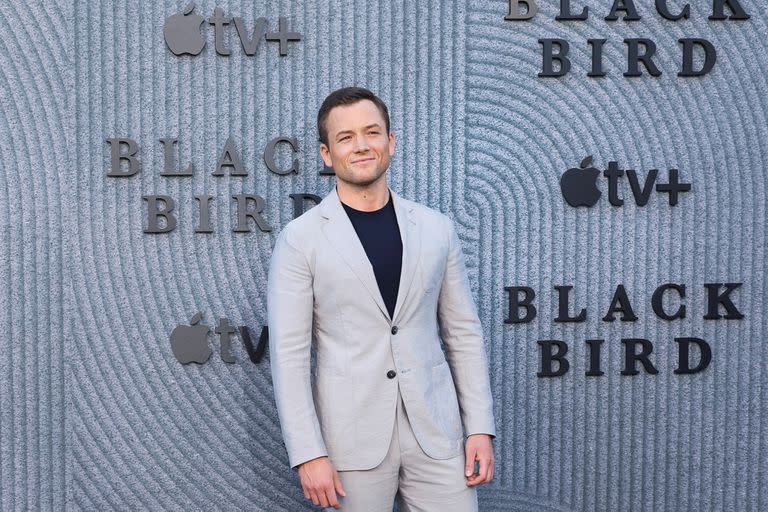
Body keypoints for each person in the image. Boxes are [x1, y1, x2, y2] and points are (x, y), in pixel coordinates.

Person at [267, 87, 496, 511]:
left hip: (438, 436)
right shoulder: (300, 240)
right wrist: (308, 453)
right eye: (345, 137)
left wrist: (479, 427)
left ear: (390, 141)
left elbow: (463, 333)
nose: (361, 146)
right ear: (326, 154)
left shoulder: (436, 229)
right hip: (349, 442)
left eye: (371, 132)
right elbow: (289, 355)